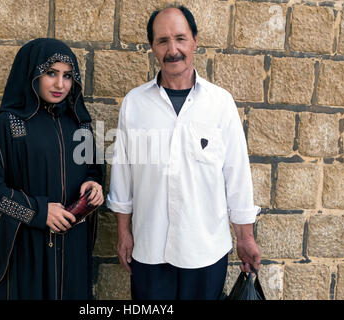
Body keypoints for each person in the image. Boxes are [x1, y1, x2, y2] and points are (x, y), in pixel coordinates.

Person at [106, 5, 261, 300]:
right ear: (152, 47)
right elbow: (123, 177)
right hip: (149, 248)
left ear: (195, 41)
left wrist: (246, 237)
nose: (172, 49)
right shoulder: (135, 104)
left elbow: (237, 176)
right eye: (162, 41)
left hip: (205, 250)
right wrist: (124, 234)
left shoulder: (220, 103)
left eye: (180, 38)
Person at [0, 38, 104, 300]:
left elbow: (92, 170)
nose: (60, 84)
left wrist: (94, 185)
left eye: (67, 76)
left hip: (71, 248)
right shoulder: (11, 125)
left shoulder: (80, 125)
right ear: (32, 73)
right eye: (51, 73)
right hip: (25, 247)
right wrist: (38, 212)